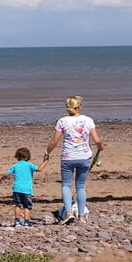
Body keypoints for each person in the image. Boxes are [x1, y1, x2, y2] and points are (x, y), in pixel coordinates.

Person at [45, 95, 104, 224]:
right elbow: (96, 140)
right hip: (84, 156)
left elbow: (54, 141)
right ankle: (81, 215)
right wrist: (100, 146)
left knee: (66, 184)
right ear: (80, 107)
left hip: (68, 157)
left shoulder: (62, 121)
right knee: (81, 186)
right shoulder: (88, 120)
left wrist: (47, 152)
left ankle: (69, 213)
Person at [7, 147, 48, 226]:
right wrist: (46, 161)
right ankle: (26, 222)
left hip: (17, 189)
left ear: (17, 157)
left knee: (17, 205)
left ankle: (17, 221)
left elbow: (7, 173)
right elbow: (39, 169)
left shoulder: (15, 165)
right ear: (28, 157)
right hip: (27, 190)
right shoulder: (29, 165)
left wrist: (2, 177)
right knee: (27, 206)